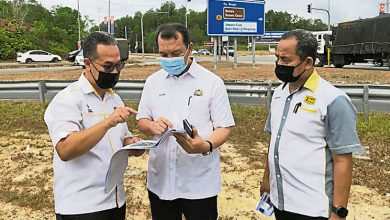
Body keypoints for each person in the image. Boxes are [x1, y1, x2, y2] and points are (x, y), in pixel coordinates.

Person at [136, 23, 235, 220]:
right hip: (161, 182)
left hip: (199, 183)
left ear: (189, 48)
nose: (170, 59)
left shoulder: (212, 82)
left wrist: (205, 145)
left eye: (176, 53)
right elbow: (142, 120)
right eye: (164, 54)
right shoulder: (153, 82)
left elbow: (224, 127)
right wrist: (151, 126)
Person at [260, 29, 361, 220]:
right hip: (280, 201)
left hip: (312, 209)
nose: (279, 64)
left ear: (307, 62)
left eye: (286, 60)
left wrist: (339, 211)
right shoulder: (279, 94)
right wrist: (266, 181)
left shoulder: (333, 100)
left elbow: (343, 159)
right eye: (277, 58)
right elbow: (275, 140)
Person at [44, 31, 144, 220]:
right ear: (88, 63)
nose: (114, 71)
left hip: (115, 200)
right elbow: (65, 150)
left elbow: (120, 137)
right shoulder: (68, 100)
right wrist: (108, 122)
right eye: (108, 66)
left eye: (119, 64)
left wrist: (132, 143)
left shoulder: (115, 98)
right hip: (82, 206)